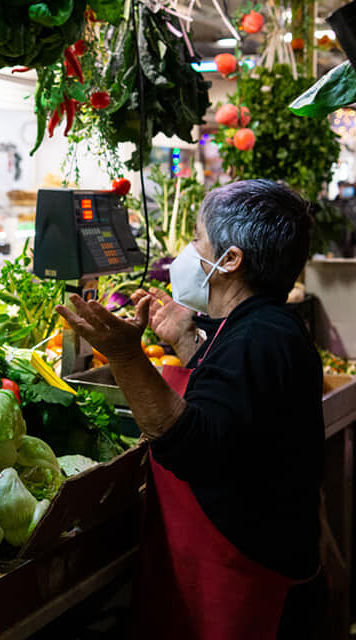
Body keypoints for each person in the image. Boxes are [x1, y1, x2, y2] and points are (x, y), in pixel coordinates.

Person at [57, 179, 325, 639]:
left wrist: (125, 355)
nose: (188, 250)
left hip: (246, 586)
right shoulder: (257, 325)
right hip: (234, 568)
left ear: (231, 260)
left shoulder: (258, 338)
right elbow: (233, 414)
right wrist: (185, 342)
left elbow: (191, 446)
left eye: (198, 238)